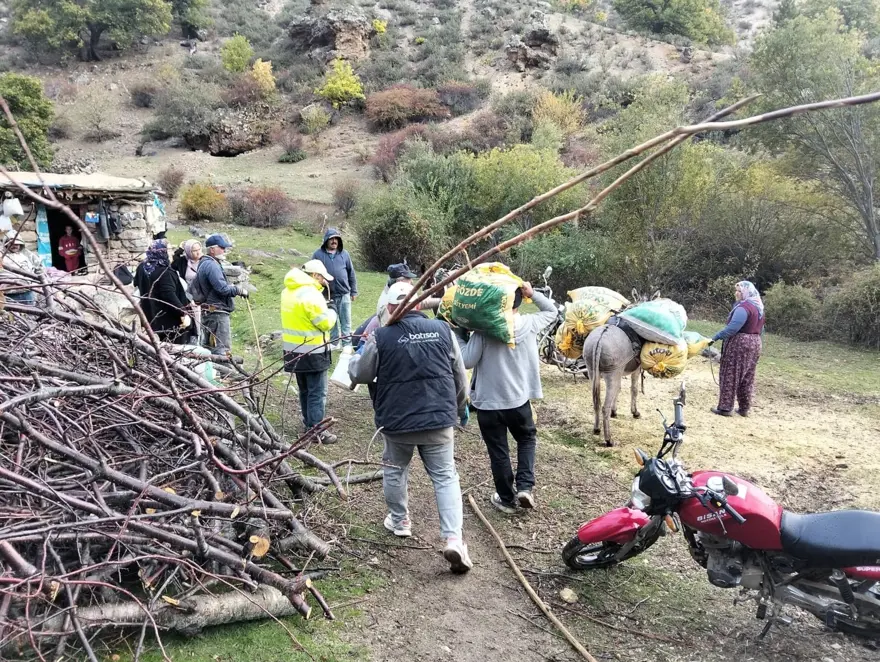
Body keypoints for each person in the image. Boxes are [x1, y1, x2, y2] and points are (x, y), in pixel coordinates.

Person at [348, 282, 473, 574]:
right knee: (444, 477)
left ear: (391, 308)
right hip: (438, 420)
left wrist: (358, 354)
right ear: (418, 305)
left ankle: (400, 521)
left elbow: (362, 373)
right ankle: (453, 538)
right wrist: (458, 410)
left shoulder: (381, 336)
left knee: (394, 470)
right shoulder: (444, 331)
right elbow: (460, 377)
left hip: (397, 421)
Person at [460, 282, 557, 514]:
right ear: (519, 300)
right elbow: (552, 311)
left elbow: (466, 361)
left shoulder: (484, 331)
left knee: (499, 451)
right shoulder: (531, 324)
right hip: (519, 401)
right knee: (526, 439)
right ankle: (524, 487)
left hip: (488, 405)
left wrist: (461, 337)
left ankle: (506, 499)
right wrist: (532, 294)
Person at [281, 259, 339, 444]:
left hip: (293, 350)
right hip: (313, 351)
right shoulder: (311, 295)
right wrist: (332, 311)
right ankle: (316, 430)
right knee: (317, 392)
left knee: (304, 389)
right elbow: (325, 323)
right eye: (323, 278)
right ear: (315, 275)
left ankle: (308, 423)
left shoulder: (288, 291)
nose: (325, 282)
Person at [711, 281, 765, 418]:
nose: (736, 293)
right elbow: (762, 329)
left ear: (746, 292)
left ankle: (725, 407)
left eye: (739, 291)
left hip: (740, 344)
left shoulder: (744, 308)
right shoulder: (758, 307)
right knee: (747, 376)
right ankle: (744, 408)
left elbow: (733, 328)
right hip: (755, 343)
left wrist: (716, 337)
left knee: (731, 374)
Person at [196, 234, 249, 355]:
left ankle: (216, 372)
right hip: (217, 314)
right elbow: (222, 289)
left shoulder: (204, 263)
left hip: (209, 312)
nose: (224, 250)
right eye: (222, 247)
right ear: (212, 249)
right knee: (221, 350)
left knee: (210, 348)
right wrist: (239, 290)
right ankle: (226, 372)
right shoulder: (212, 265)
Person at [134, 238, 190, 344]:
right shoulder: (165, 272)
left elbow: (136, 283)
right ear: (162, 252)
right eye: (169, 250)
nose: (172, 252)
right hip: (169, 322)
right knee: (172, 352)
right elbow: (169, 295)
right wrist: (183, 312)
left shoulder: (142, 267)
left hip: (149, 317)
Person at [312, 228, 357, 349]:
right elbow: (312, 273)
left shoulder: (344, 254)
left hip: (344, 293)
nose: (334, 241)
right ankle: (334, 343)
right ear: (326, 240)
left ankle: (347, 344)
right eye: (331, 239)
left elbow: (351, 273)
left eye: (336, 239)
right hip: (327, 294)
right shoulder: (318, 255)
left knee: (346, 321)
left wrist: (354, 291)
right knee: (331, 321)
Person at [173, 239, 203, 343]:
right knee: (189, 320)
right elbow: (173, 264)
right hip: (186, 296)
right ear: (189, 251)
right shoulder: (183, 261)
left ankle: (201, 339)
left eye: (199, 249)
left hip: (202, 297)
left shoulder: (205, 262)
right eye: (194, 250)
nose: (198, 252)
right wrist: (180, 249)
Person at [1, 232, 41, 304]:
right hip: (8, 294)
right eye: (12, 244)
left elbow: (39, 270)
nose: (14, 246)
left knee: (30, 313)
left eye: (17, 244)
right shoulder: (1, 257)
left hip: (27, 292)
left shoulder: (27, 255)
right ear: (6, 244)